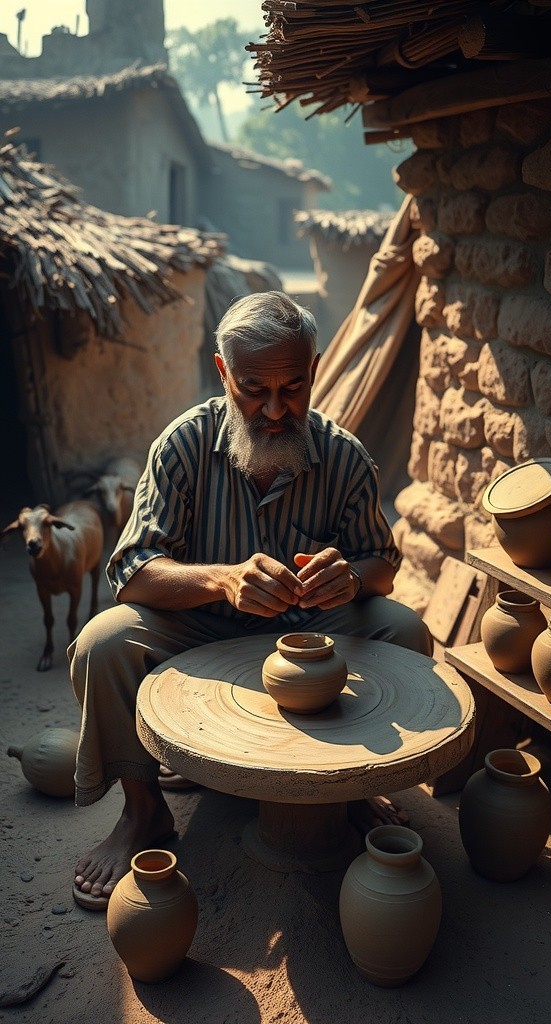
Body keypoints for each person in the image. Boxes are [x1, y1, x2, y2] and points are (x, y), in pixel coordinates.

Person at [69, 290, 432, 910]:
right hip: (201, 632)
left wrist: (350, 576)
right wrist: (222, 580)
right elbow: (131, 572)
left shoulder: (345, 458)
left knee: (404, 630)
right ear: (221, 373)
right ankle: (145, 810)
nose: (272, 409)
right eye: (252, 390)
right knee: (105, 641)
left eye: (292, 388)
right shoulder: (183, 448)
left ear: (315, 369)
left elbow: (384, 566)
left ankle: (350, 787)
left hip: (311, 638)